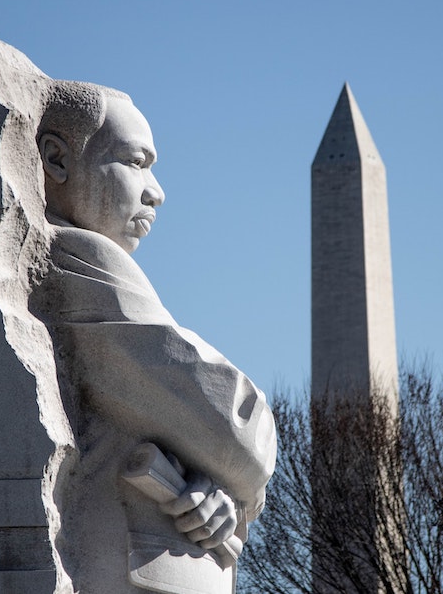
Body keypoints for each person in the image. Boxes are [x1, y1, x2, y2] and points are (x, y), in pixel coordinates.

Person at [28, 80, 276, 593]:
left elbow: (202, 437)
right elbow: (229, 422)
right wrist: (234, 466)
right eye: (135, 162)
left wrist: (218, 491)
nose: (156, 191)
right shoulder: (78, 258)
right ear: (56, 160)